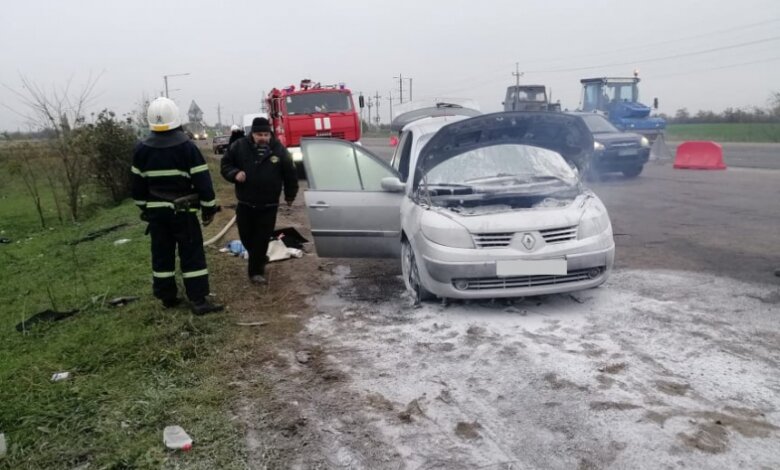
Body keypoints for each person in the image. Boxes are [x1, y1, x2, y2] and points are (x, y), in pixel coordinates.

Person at [131, 97, 223, 315]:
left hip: (156, 215)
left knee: (161, 254)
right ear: (176, 118)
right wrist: (209, 208)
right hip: (184, 213)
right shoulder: (187, 148)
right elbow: (203, 182)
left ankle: (167, 297)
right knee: (191, 254)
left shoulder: (141, 149)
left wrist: (146, 208)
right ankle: (199, 301)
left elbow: (137, 187)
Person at [220, 117, 298, 284]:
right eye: (259, 134)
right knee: (247, 237)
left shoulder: (279, 150)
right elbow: (225, 165)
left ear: (270, 134)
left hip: (268, 205)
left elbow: (290, 174)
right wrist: (234, 174)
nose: (263, 137)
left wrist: (290, 195)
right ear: (252, 134)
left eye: (265, 134)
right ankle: (260, 258)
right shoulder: (239, 147)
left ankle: (256, 272)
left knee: (261, 238)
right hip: (245, 204)